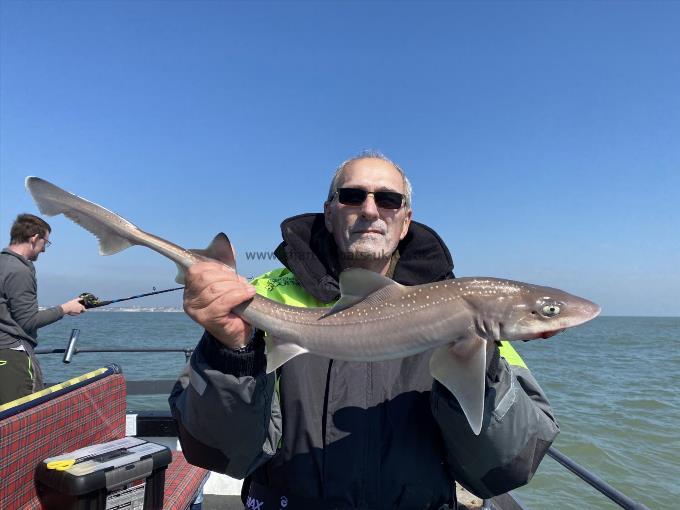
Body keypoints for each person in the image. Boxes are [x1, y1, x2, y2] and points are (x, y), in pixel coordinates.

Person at [170, 152, 559, 509]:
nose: (370, 210)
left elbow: (509, 465)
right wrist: (231, 353)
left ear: (406, 220)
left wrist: (482, 367)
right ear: (328, 212)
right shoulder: (262, 297)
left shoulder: (465, 311)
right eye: (352, 196)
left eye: (388, 200)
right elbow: (220, 452)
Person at [0, 213, 86, 405]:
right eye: (45, 242)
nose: (44, 250)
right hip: (13, 356)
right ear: (34, 239)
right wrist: (65, 309)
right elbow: (28, 321)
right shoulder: (19, 271)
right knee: (20, 419)